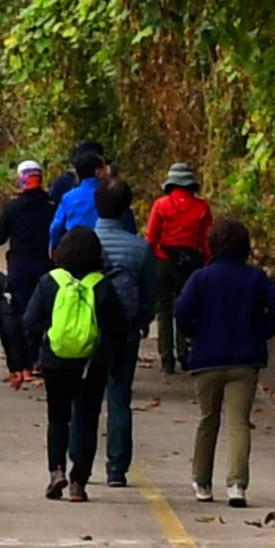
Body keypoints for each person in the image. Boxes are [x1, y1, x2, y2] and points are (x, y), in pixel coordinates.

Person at [169, 217, 275, 504]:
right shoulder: (254, 278)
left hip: (207, 358)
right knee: (238, 422)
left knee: (207, 420)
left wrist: (192, 333)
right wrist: (262, 331)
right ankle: (237, 485)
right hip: (244, 359)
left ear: (212, 246)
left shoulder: (200, 278)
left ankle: (202, 482)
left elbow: (181, 311)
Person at [28, 224, 133, 502]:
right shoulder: (102, 285)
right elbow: (118, 329)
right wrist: (118, 365)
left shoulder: (49, 282)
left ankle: (56, 470)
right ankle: (78, 483)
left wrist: (31, 357)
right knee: (86, 420)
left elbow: (29, 323)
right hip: (91, 364)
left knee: (57, 417)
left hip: (55, 360)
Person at [90, 189, 157, 487]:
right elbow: (149, 296)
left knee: (85, 399)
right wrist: (140, 322)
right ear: (126, 210)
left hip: (88, 331)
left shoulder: (82, 243)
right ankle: (116, 468)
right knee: (119, 398)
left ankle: (79, 463)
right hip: (125, 333)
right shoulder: (140, 249)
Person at [146, 164, 215, 375]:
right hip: (190, 264)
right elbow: (206, 242)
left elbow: (151, 238)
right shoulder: (201, 208)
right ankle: (185, 353)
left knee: (164, 310)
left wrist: (147, 264)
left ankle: (167, 359)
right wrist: (208, 263)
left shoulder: (160, 205)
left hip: (163, 261)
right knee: (186, 308)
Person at [0, 161, 56, 366]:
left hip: (19, 264)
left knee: (19, 310)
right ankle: (37, 357)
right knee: (43, 310)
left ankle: (22, 359)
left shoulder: (13, 206)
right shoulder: (52, 205)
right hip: (45, 263)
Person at [50, 140, 109, 241]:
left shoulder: (68, 196)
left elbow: (56, 226)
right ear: (98, 171)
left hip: (76, 247)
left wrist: (53, 244)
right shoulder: (112, 194)